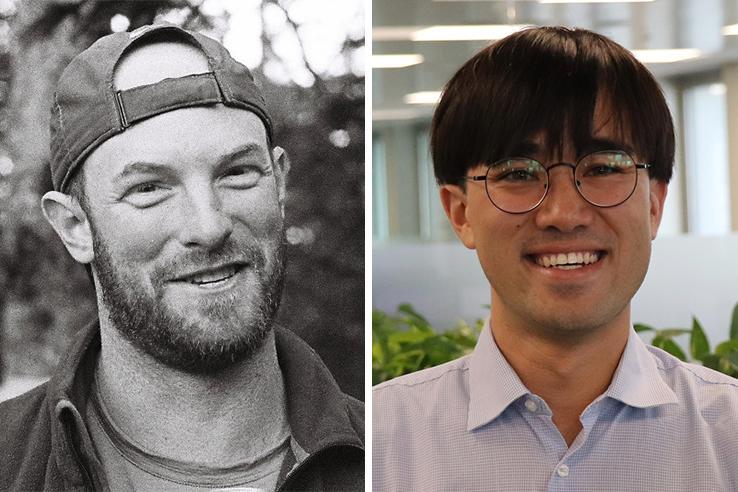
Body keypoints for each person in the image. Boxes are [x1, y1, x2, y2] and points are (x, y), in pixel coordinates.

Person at [373, 26, 738, 491]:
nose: (563, 214)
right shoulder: (381, 444)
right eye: (519, 173)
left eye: (604, 167)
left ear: (653, 205)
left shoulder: (728, 436)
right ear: (460, 213)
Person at [0, 24, 363, 491]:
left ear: (279, 185)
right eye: (149, 188)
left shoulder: (393, 460)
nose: (208, 226)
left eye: (237, 173)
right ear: (75, 227)